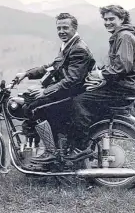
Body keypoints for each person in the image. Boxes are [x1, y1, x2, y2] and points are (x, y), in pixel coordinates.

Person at [14, 13, 95, 164]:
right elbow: (51, 67)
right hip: (67, 91)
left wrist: (44, 91)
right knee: (30, 100)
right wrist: (26, 73)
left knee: (35, 108)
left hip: (73, 93)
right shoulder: (68, 45)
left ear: (74, 28)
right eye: (59, 28)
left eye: (65, 27)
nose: (61, 31)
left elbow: (73, 80)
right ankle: (41, 148)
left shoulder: (78, 49)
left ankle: (51, 152)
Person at [66, 5, 135, 160]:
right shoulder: (120, 36)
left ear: (121, 19)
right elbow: (118, 65)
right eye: (105, 19)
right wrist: (98, 73)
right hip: (123, 87)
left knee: (78, 101)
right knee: (84, 92)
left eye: (112, 19)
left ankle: (81, 147)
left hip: (122, 88)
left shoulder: (124, 36)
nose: (108, 22)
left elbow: (123, 67)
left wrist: (101, 74)